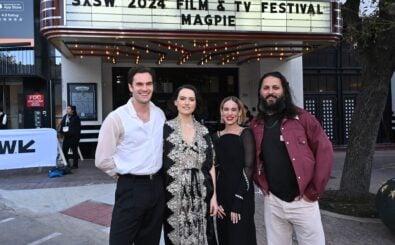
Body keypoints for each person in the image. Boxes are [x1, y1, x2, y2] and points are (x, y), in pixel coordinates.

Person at [250, 71, 334, 245]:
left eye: (275, 87)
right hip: (273, 202)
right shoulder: (255, 124)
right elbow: (250, 158)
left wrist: (313, 192)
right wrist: (262, 183)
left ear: (284, 91)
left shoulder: (303, 118)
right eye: (266, 88)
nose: (270, 92)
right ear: (260, 92)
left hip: (304, 201)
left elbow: (325, 152)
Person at [95, 66, 166, 245]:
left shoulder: (160, 114)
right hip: (130, 187)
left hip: (157, 186)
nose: (144, 88)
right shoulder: (116, 118)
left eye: (148, 83)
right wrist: (122, 176)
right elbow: (102, 159)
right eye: (139, 84)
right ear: (130, 87)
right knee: (121, 241)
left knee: (150, 241)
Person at [162, 84, 218, 245]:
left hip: (201, 194)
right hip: (173, 195)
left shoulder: (203, 131)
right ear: (175, 102)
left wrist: (214, 197)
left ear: (196, 103)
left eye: (191, 99)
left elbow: (211, 165)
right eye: (183, 98)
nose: (187, 102)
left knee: (203, 235)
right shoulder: (165, 129)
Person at [212, 96, 257, 245]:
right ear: (221, 112)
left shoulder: (246, 134)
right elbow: (214, 170)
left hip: (241, 195)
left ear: (239, 113)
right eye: (226, 109)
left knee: (241, 238)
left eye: (233, 109)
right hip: (222, 197)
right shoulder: (216, 137)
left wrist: (238, 200)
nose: (229, 113)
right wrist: (215, 200)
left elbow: (249, 168)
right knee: (225, 238)